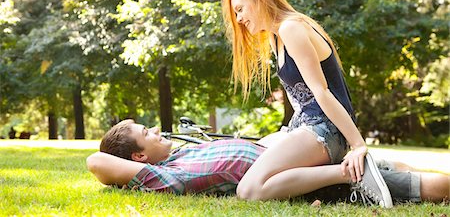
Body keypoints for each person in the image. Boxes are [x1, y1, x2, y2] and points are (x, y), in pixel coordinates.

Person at [221, 0, 390, 205]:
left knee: (248, 190)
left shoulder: (292, 28)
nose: (238, 18)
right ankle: (370, 170)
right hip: (306, 126)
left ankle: (352, 173)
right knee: (253, 158)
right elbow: (301, 100)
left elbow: (321, 92)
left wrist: (358, 144)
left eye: (240, 8)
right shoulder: (275, 36)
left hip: (325, 129)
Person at [86, 120, 449, 204]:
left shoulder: (184, 151)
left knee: (397, 165)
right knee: (424, 187)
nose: (153, 128)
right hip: (314, 177)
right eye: (143, 132)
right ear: (138, 157)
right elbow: (96, 161)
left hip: (303, 152)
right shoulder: (165, 176)